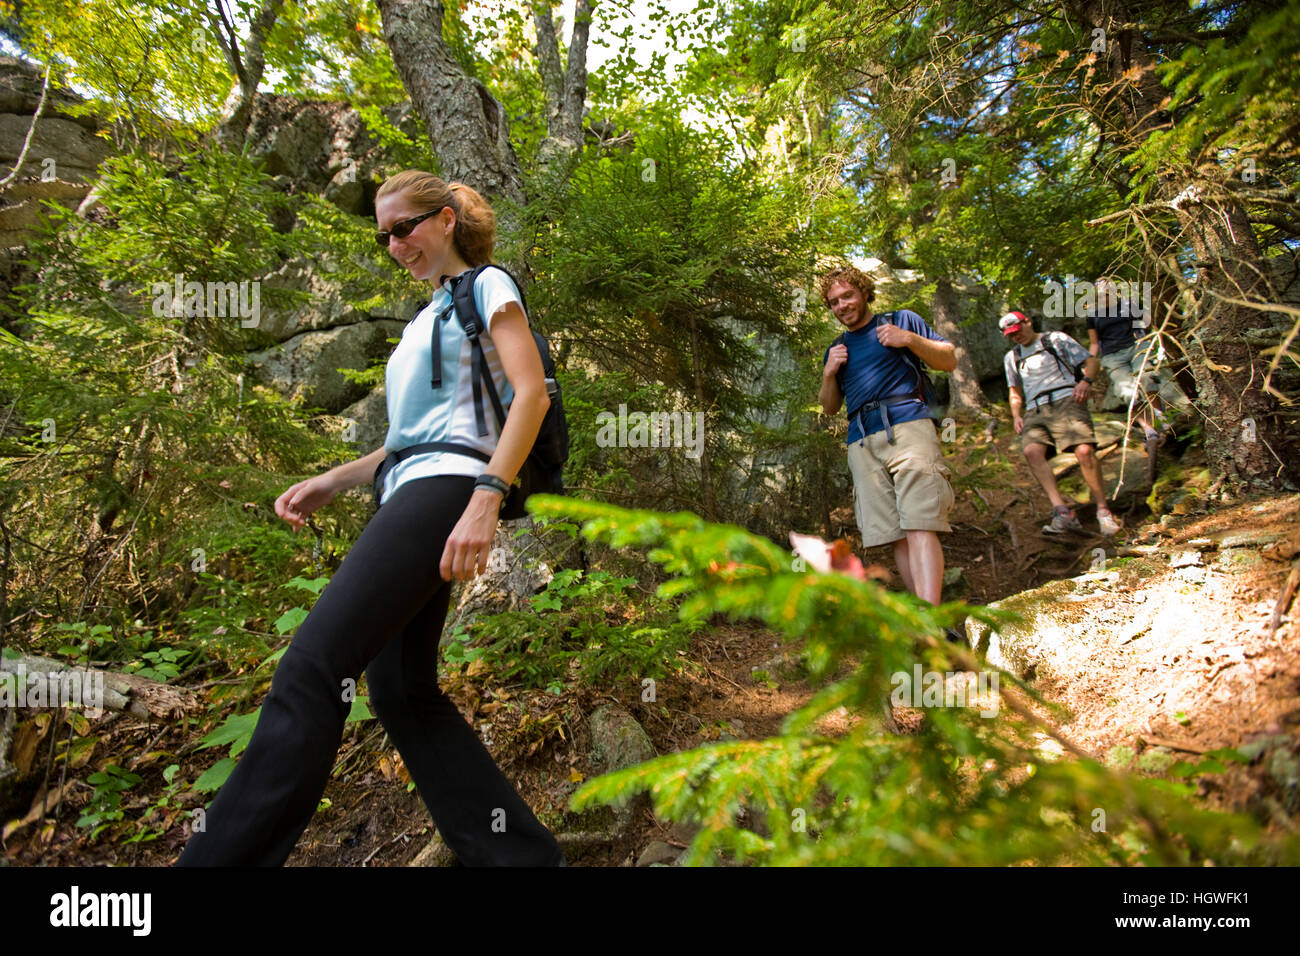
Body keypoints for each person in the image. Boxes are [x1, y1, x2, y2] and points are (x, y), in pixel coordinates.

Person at [175, 170, 566, 866]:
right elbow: (409, 439)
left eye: (405, 226)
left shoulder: (487, 285)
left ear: (445, 220)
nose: (394, 243)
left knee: (311, 669)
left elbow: (530, 392)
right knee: (399, 689)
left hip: (451, 487)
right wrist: (332, 479)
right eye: (384, 233)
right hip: (411, 486)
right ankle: (523, 861)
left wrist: (487, 494)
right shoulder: (424, 320)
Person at [818, 264, 956, 608]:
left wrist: (908, 339)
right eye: (834, 302)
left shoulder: (902, 321)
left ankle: (933, 620)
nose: (842, 306)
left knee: (920, 522)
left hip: (909, 425)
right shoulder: (837, 348)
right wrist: (829, 373)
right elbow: (831, 407)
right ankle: (924, 617)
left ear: (865, 292)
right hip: (862, 440)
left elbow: (949, 360)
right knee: (896, 535)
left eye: (848, 295)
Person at [1001, 311, 1121, 537]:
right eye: (1011, 335)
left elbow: (1091, 361)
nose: (1016, 337)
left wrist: (1086, 381)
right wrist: (1016, 415)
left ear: (1027, 322)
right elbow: (1014, 391)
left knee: (1084, 451)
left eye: (1018, 331)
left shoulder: (1055, 339)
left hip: (1067, 398)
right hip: (1034, 408)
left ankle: (1103, 512)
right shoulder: (1012, 357)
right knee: (1031, 451)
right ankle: (1062, 512)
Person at [1084, 275, 1170, 447]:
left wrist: (1157, 344)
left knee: (1148, 378)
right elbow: (1094, 343)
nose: (1104, 289)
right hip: (1112, 357)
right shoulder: (1092, 314)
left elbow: (1147, 324)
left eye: (1107, 286)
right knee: (1128, 392)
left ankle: (1162, 418)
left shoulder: (1128, 304)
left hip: (1137, 348)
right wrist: (1088, 363)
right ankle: (1149, 429)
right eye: (1100, 286)